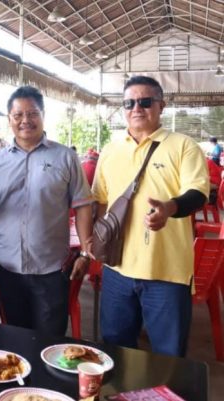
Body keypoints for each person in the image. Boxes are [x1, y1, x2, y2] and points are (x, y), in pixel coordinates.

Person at [92, 76, 209, 357]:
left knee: (169, 355)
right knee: (115, 349)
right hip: (117, 269)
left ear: (161, 106)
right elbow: (101, 201)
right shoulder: (111, 150)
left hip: (166, 271)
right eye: (129, 103)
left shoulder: (183, 146)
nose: (136, 108)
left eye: (145, 102)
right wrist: (95, 245)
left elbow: (198, 193)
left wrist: (170, 208)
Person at [0, 86, 94, 336]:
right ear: (9, 119)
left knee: (50, 341)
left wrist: (84, 252)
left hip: (51, 270)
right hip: (8, 268)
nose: (25, 120)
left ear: (43, 115)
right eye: (18, 115)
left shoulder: (65, 157)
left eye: (32, 113)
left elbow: (83, 205)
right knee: (16, 338)